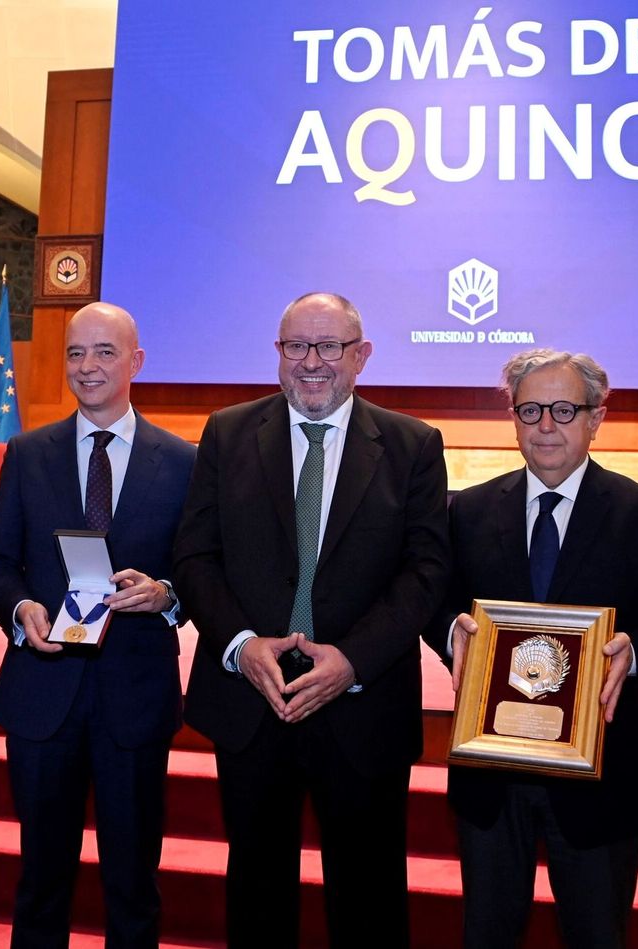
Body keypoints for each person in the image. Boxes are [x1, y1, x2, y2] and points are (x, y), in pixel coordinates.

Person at [172, 291, 449, 948]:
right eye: (296, 345)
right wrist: (240, 645)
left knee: (369, 898)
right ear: (278, 354)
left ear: (361, 356)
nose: (312, 362)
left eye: (329, 346)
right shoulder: (227, 432)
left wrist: (352, 657)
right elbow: (194, 554)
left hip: (364, 705)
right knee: (258, 894)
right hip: (251, 702)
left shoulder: (413, 445)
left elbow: (426, 572)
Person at [426, 349, 638, 948]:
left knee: (596, 936)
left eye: (564, 409)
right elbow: (435, 600)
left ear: (596, 417)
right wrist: (453, 635)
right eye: (530, 410)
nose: (546, 425)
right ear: (514, 418)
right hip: (491, 776)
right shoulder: (468, 511)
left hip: (601, 775)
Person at [0, 302, 195, 948]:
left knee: (132, 883)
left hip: (135, 698)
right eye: (76, 353)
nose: (88, 366)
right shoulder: (27, 453)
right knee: (41, 881)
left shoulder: (184, 461)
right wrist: (20, 608)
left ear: (137, 361)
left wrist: (167, 593)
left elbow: (203, 568)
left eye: (104, 351)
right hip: (42, 694)